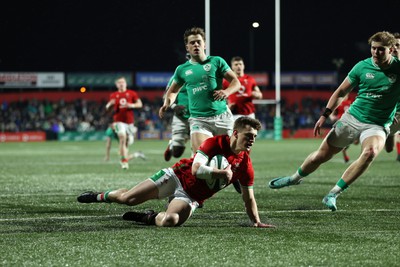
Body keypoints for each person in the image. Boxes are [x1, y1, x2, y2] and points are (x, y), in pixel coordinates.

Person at [269, 31, 400, 211]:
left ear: (391, 49)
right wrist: (324, 115)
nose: (376, 53)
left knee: (370, 153)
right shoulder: (361, 67)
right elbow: (341, 92)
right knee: (321, 156)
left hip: (377, 124)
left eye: (381, 50)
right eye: (373, 49)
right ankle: (294, 179)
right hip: (352, 118)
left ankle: (333, 193)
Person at [77, 117, 275, 228]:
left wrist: (256, 222)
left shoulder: (245, 164)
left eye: (255, 137)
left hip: (191, 196)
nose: (252, 140)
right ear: (235, 133)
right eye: (248, 136)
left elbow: (249, 198)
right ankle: (100, 196)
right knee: (128, 198)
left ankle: (147, 217)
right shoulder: (214, 143)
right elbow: (197, 170)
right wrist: (221, 174)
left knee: (170, 221)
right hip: (176, 177)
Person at [159, 27, 241, 193]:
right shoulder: (182, 70)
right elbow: (173, 90)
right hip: (199, 120)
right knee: (199, 157)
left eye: (199, 42)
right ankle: (195, 192)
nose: (196, 44)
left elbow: (235, 82)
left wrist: (226, 91)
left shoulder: (216, 61)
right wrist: (168, 103)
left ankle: (236, 176)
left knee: (235, 154)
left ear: (204, 45)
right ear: (187, 48)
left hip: (222, 117)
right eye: (192, 43)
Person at [105, 76, 143, 169]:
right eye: (119, 82)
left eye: (123, 82)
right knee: (122, 136)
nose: (121, 84)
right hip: (118, 121)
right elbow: (108, 109)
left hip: (130, 123)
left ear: (126, 83)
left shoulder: (132, 93)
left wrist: (132, 105)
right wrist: (110, 105)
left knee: (128, 143)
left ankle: (127, 157)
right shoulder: (114, 95)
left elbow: (140, 104)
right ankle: (124, 161)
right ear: (117, 85)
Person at [222, 56, 263, 120]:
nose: (238, 66)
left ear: (243, 66)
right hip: (234, 114)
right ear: (232, 67)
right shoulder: (227, 81)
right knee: (235, 130)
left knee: (251, 130)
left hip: (249, 114)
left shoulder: (250, 79)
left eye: (240, 64)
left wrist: (257, 95)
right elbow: (221, 96)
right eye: (236, 64)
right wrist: (227, 106)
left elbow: (260, 95)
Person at [163, 76, 191, 162]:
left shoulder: (203, 74)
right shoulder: (178, 76)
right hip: (181, 117)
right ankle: (172, 145)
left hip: (199, 116)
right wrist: (174, 106)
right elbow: (166, 95)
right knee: (177, 152)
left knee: (199, 146)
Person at [384, 32, 400, 161]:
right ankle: (391, 136)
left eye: (398, 46)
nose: (395, 49)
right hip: (394, 114)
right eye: (393, 46)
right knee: (389, 148)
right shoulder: (384, 67)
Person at [329, 95, 356, 163]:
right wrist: (332, 117)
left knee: (354, 141)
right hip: (340, 122)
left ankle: (343, 147)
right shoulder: (339, 102)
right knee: (344, 137)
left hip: (350, 123)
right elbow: (331, 112)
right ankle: (343, 151)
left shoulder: (351, 101)